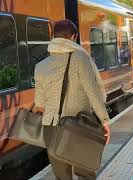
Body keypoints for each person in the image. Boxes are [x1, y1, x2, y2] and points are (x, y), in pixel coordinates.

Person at [34, 20, 111, 180]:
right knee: (85, 174)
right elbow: (92, 91)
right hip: (80, 124)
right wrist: (104, 121)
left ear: (53, 37)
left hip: (51, 128)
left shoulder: (40, 66)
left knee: (62, 177)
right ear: (74, 37)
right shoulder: (80, 58)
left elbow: (40, 103)